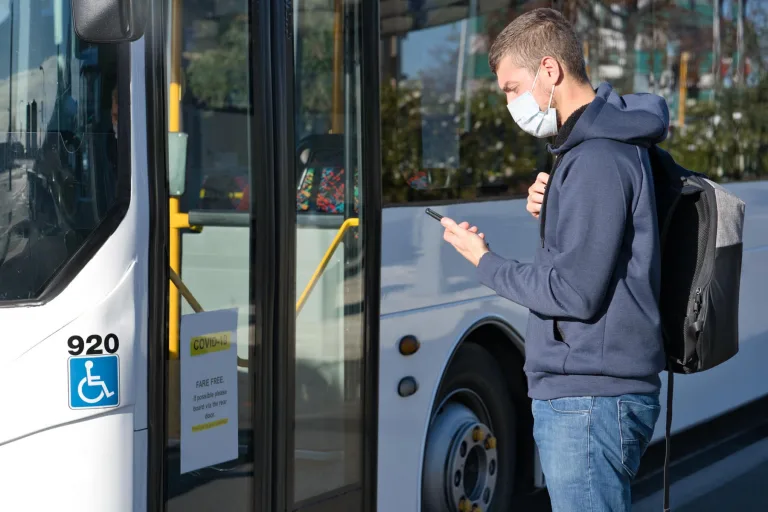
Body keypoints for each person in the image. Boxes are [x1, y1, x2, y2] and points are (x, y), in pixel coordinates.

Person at [440, 8, 667, 511]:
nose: (509, 102)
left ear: (549, 70)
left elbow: (573, 293)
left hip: (588, 398)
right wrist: (556, 212)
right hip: (591, 391)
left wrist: (484, 260)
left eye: (510, 87)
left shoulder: (597, 159)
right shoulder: (590, 153)